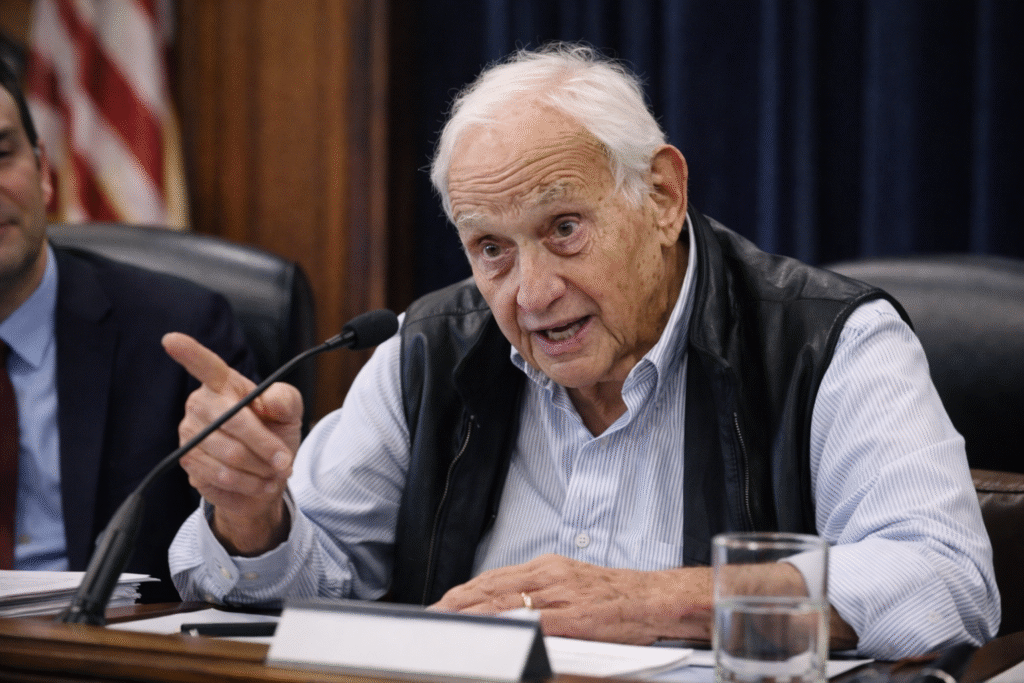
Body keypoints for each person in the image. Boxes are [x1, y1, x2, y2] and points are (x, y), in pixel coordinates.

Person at [165, 43, 998, 658]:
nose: (530, 293)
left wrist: (658, 600)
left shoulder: (825, 340)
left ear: (662, 196)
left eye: (564, 229)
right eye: (491, 247)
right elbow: (315, 580)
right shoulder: (433, 349)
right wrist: (252, 516)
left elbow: (946, 583)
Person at [0, 59, 257, 601]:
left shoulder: (180, 333)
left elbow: (244, 575)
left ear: (44, 172)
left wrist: (250, 508)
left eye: (1, 155)